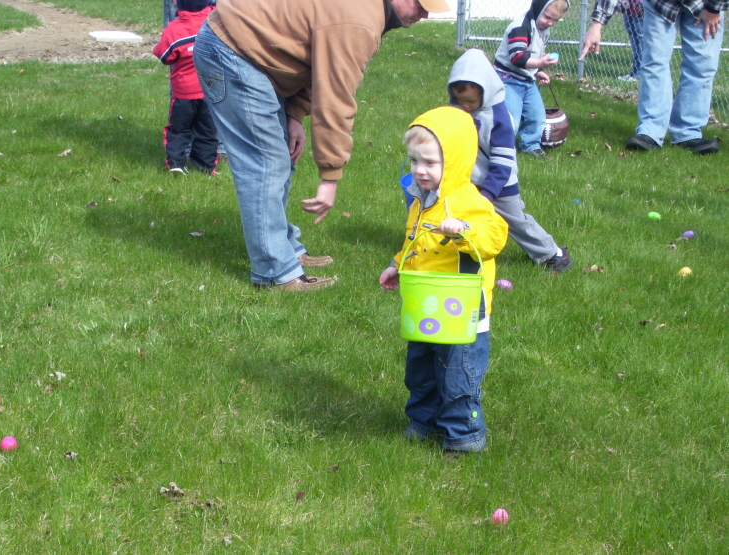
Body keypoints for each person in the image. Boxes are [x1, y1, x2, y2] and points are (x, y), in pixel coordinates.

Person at [193, 0, 451, 292]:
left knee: (278, 157)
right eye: (420, 4)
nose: (425, 13)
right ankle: (275, 273)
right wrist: (330, 176)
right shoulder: (358, 21)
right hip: (232, 49)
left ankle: (283, 249)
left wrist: (294, 115)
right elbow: (335, 100)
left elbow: (319, 60)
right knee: (265, 164)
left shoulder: (367, 14)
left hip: (256, 52)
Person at [379, 107, 509, 452]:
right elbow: (415, 239)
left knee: (458, 373)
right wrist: (397, 264)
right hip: (426, 304)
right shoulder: (421, 199)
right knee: (420, 368)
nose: (419, 170)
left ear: (453, 161)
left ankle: (463, 435)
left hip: (461, 307)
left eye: (430, 163)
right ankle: (424, 419)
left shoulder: (466, 200)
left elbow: (495, 237)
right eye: (413, 160)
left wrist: (463, 231)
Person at [448, 49, 573, 272]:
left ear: (486, 91)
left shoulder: (499, 118)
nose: (465, 105)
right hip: (469, 180)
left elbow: (503, 161)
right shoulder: (457, 112)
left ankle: (551, 253)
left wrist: (488, 193)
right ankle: (463, 253)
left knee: (514, 220)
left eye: (471, 101)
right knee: (461, 214)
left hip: (500, 184)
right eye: (460, 100)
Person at [579, 0, 725, 154]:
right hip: (661, 4)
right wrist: (597, 24)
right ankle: (650, 131)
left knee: (701, 67)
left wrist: (713, 9)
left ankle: (688, 133)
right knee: (654, 63)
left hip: (706, 4)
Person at [493, 0, 571, 159]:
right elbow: (517, 58)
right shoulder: (521, 27)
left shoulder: (543, 28)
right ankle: (502, 148)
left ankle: (531, 144)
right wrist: (540, 63)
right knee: (511, 118)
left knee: (537, 116)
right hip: (508, 78)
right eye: (547, 17)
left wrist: (538, 71)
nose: (550, 22)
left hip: (527, 79)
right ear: (538, 8)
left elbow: (535, 53)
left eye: (555, 20)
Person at [153, 0, 219, 176]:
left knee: (178, 129)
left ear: (177, 3)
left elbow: (164, 56)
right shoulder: (215, 22)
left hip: (183, 93)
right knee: (207, 131)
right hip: (210, 90)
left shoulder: (174, 29)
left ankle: (176, 164)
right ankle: (206, 166)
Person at [616, 0, 644, 81]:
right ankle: (634, 71)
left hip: (640, 4)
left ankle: (640, 72)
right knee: (632, 32)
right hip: (629, 4)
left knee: (640, 35)